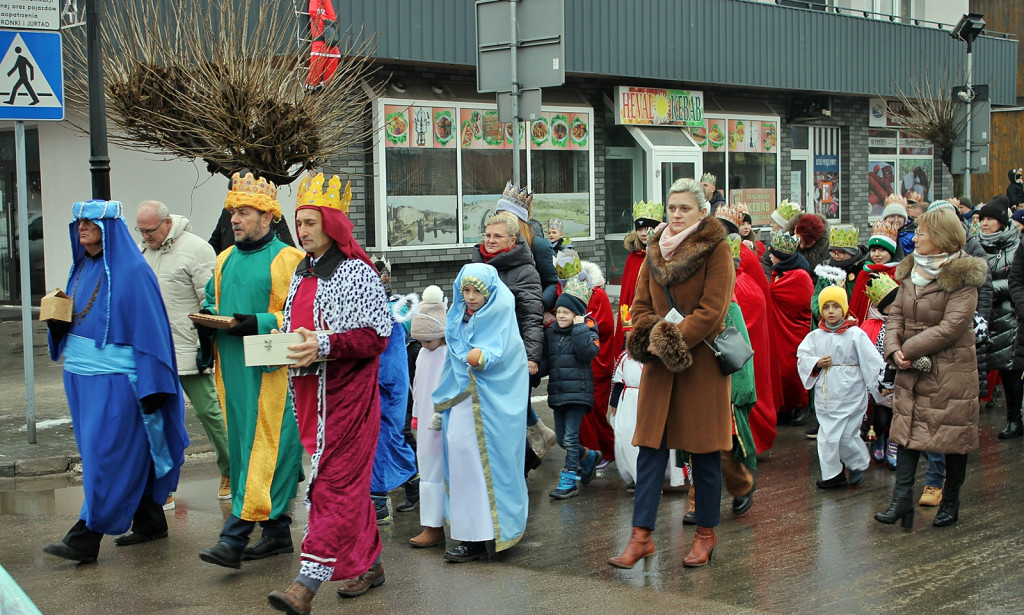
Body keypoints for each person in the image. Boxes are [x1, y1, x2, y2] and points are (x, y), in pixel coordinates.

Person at [266, 174, 395, 613]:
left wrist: (323, 344)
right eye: (298, 223)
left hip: (348, 402)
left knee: (331, 488)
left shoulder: (356, 271)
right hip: (309, 398)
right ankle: (371, 563)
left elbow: (375, 337)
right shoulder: (302, 273)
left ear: (332, 224)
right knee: (347, 490)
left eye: (310, 222)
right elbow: (294, 330)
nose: (302, 231)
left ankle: (305, 585)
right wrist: (277, 346)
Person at [42, 199, 188, 564]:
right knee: (108, 452)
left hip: (117, 384)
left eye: (90, 222)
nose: (82, 228)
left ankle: (86, 536)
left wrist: (155, 386)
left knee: (107, 456)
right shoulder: (81, 269)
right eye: (79, 223)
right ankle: (150, 519)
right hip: (82, 380)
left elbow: (151, 335)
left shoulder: (133, 272)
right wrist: (59, 326)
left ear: (110, 228)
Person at [608, 177, 734, 569]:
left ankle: (706, 535)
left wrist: (669, 339)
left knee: (704, 455)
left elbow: (713, 312)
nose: (676, 215)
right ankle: (640, 537)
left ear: (702, 212)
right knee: (650, 451)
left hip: (702, 368)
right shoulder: (653, 252)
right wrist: (657, 339)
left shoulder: (717, 249)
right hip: (662, 366)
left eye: (685, 209)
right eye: (672, 208)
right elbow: (641, 305)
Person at [197, 172, 305, 570]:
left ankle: (234, 537)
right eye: (233, 213)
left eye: (243, 212)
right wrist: (205, 323)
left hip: (272, 372)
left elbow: (297, 315)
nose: (235, 220)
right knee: (245, 449)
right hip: (233, 374)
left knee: (267, 448)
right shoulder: (222, 259)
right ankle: (277, 534)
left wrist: (256, 322)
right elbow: (213, 301)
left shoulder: (288, 259)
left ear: (268, 217)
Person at [875, 206, 986, 529]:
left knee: (953, 439)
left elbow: (952, 327)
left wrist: (906, 350)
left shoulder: (962, 276)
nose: (915, 237)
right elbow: (896, 315)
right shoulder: (911, 271)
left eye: (921, 233)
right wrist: (893, 350)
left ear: (940, 238)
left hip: (950, 371)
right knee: (907, 432)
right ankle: (901, 501)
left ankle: (950, 501)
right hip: (911, 367)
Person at [430, 263, 529, 563]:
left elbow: (508, 356)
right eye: (466, 291)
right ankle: (470, 537)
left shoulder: (502, 318)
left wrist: (486, 357)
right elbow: (453, 363)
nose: (470, 297)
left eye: (477, 291)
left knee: (494, 465)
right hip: (462, 403)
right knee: (462, 466)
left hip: (494, 408)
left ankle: (499, 533)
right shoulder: (457, 318)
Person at [136, 201, 231, 502]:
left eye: (149, 231)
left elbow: (212, 300)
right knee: (156, 419)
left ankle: (231, 469)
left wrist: (207, 342)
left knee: (209, 412)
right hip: (154, 352)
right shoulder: (142, 251)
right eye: (140, 231)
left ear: (166, 223)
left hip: (189, 347)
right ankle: (163, 487)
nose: (145, 237)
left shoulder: (197, 249)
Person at [470, 210, 546, 473]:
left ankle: (516, 474)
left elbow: (532, 316)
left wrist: (532, 357)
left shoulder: (525, 271)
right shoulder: (475, 266)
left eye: (497, 236)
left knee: (510, 419)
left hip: (512, 357)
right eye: (488, 235)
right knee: (487, 417)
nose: (490, 240)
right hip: (482, 355)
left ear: (512, 241)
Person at [798, 286, 883, 488]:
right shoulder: (815, 336)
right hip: (827, 393)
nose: (830, 311)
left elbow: (872, 361)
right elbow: (803, 357)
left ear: (844, 309)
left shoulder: (855, 334)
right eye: (826, 307)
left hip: (851, 390)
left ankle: (857, 464)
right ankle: (832, 475)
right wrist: (816, 363)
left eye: (836, 306)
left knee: (846, 434)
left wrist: (881, 385)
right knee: (827, 435)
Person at [540, 277, 602, 499]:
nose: (561, 315)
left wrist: (579, 328)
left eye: (567, 311)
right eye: (558, 311)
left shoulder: (588, 330)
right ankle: (589, 457)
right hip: (558, 394)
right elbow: (548, 361)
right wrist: (535, 367)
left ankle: (569, 480)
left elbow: (587, 353)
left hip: (578, 394)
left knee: (570, 437)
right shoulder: (551, 333)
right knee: (562, 438)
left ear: (577, 314)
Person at [368, 256, 418, 526]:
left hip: (386, 386)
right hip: (383, 384)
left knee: (383, 440)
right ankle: (413, 482)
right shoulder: (388, 309)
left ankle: (378, 506)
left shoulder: (391, 311)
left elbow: (389, 358)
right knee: (388, 440)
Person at [976, 195, 1023, 440]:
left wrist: (988, 287)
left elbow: (1016, 280)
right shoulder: (976, 245)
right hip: (984, 315)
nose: (984, 223)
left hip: (1010, 316)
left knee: (1011, 370)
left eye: (990, 219)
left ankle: (1015, 419)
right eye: (982, 218)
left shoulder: (1016, 246)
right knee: (979, 368)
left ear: (1002, 222)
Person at [406, 285, 449, 548]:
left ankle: (450, 523)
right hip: (425, 423)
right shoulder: (423, 353)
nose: (423, 345)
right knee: (429, 472)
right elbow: (418, 386)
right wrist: (415, 415)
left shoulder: (448, 353)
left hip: (443, 422)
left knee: (446, 472)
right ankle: (432, 525)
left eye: (427, 340)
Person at [767, 231, 813, 424]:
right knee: (780, 370)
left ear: (782, 256)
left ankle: (799, 406)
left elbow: (774, 294)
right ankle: (784, 408)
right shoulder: (782, 272)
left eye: (772, 252)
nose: (769, 255)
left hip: (794, 332)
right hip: (780, 331)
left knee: (791, 370)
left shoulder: (799, 277)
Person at [613, 200, 663, 356]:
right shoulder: (632, 259)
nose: (643, 233)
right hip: (633, 321)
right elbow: (625, 299)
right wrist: (627, 326)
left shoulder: (663, 257)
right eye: (640, 228)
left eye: (648, 228)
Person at [862, 274, 901, 467]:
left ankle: (894, 443)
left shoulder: (904, 323)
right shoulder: (872, 324)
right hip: (879, 378)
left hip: (899, 376)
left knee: (898, 414)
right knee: (880, 414)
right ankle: (878, 437)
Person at [810, 225, 868, 327]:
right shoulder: (826, 272)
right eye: (833, 252)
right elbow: (816, 298)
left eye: (841, 252)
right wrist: (824, 313)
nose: (836, 256)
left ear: (852, 252)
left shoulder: (861, 270)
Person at [848, 219, 901, 324]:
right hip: (867, 326)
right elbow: (856, 306)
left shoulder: (898, 274)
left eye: (882, 250)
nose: (876, 254)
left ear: (892, 252)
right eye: (873, 250)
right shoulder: (864, 274)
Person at [609, 349, 643, 490]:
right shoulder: (624, 356)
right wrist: (614, 401)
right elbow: (619, 382)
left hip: (646, 401)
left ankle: (645, 478)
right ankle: (635, 475)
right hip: (627, 403)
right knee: (625, 439)